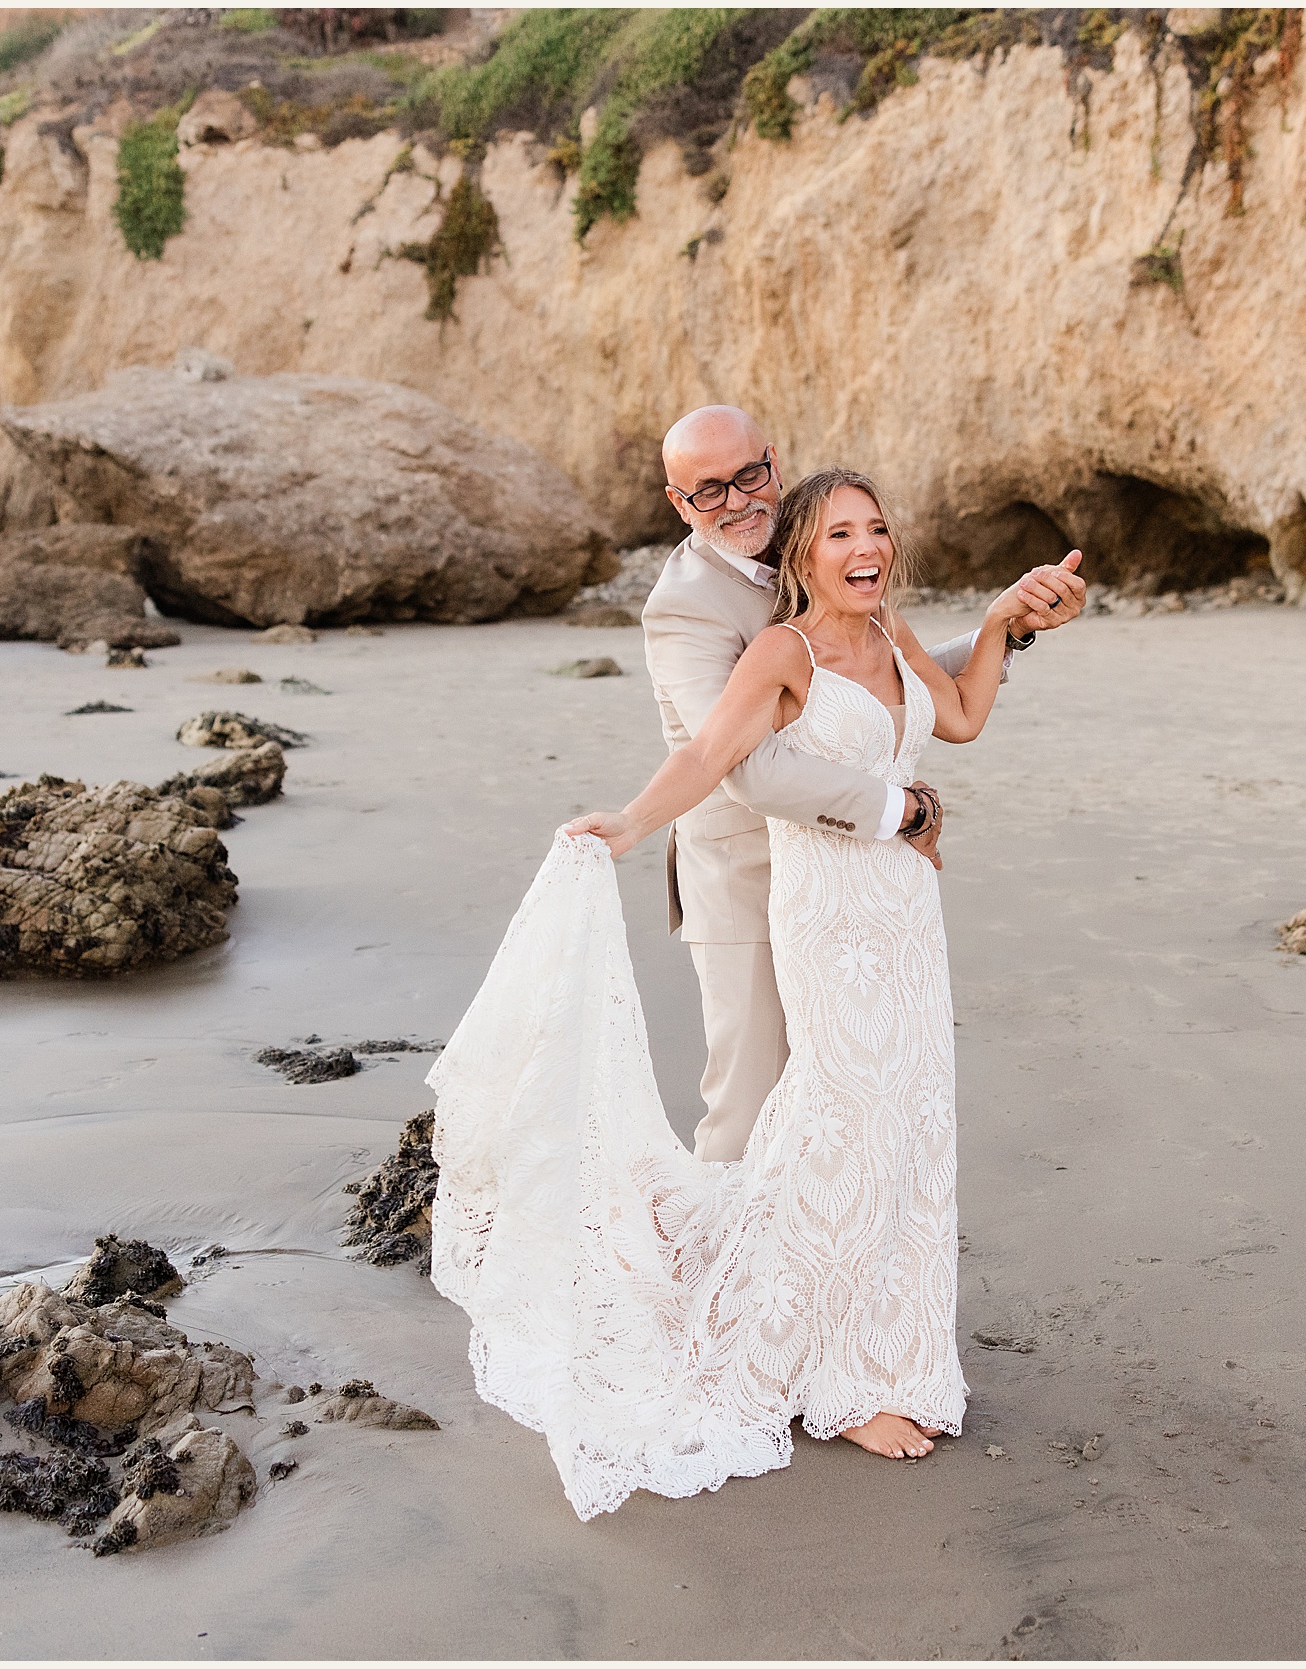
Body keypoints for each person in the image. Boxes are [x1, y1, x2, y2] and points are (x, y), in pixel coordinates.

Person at [426, 467, 1057, 1519]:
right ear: (804, 553)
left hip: (905, 911)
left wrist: (999, 622)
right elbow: (716, 756)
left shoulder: (892, 632)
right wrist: (626, 826)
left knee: (907, 1120)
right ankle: (837, 1378)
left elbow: (960, 720)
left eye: (880, 528)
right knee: (840, 1117)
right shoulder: (784, 651)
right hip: (826, 916)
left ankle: (891, 1349)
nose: (869, 547)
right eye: (844, 533)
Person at [641, 405, 1083, 1163]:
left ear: (773, 463)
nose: (740, 500)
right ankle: (716, 1272)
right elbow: (742, 764)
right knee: (750, 1102)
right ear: (681, 504)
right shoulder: (685, 606)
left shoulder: (818, 542)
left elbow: (881, 675)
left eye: (750, 474)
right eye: (709, 490)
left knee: (853, 1088)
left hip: (858, 884)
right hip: (747, 875)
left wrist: (1005, 630)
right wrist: (900, 808)